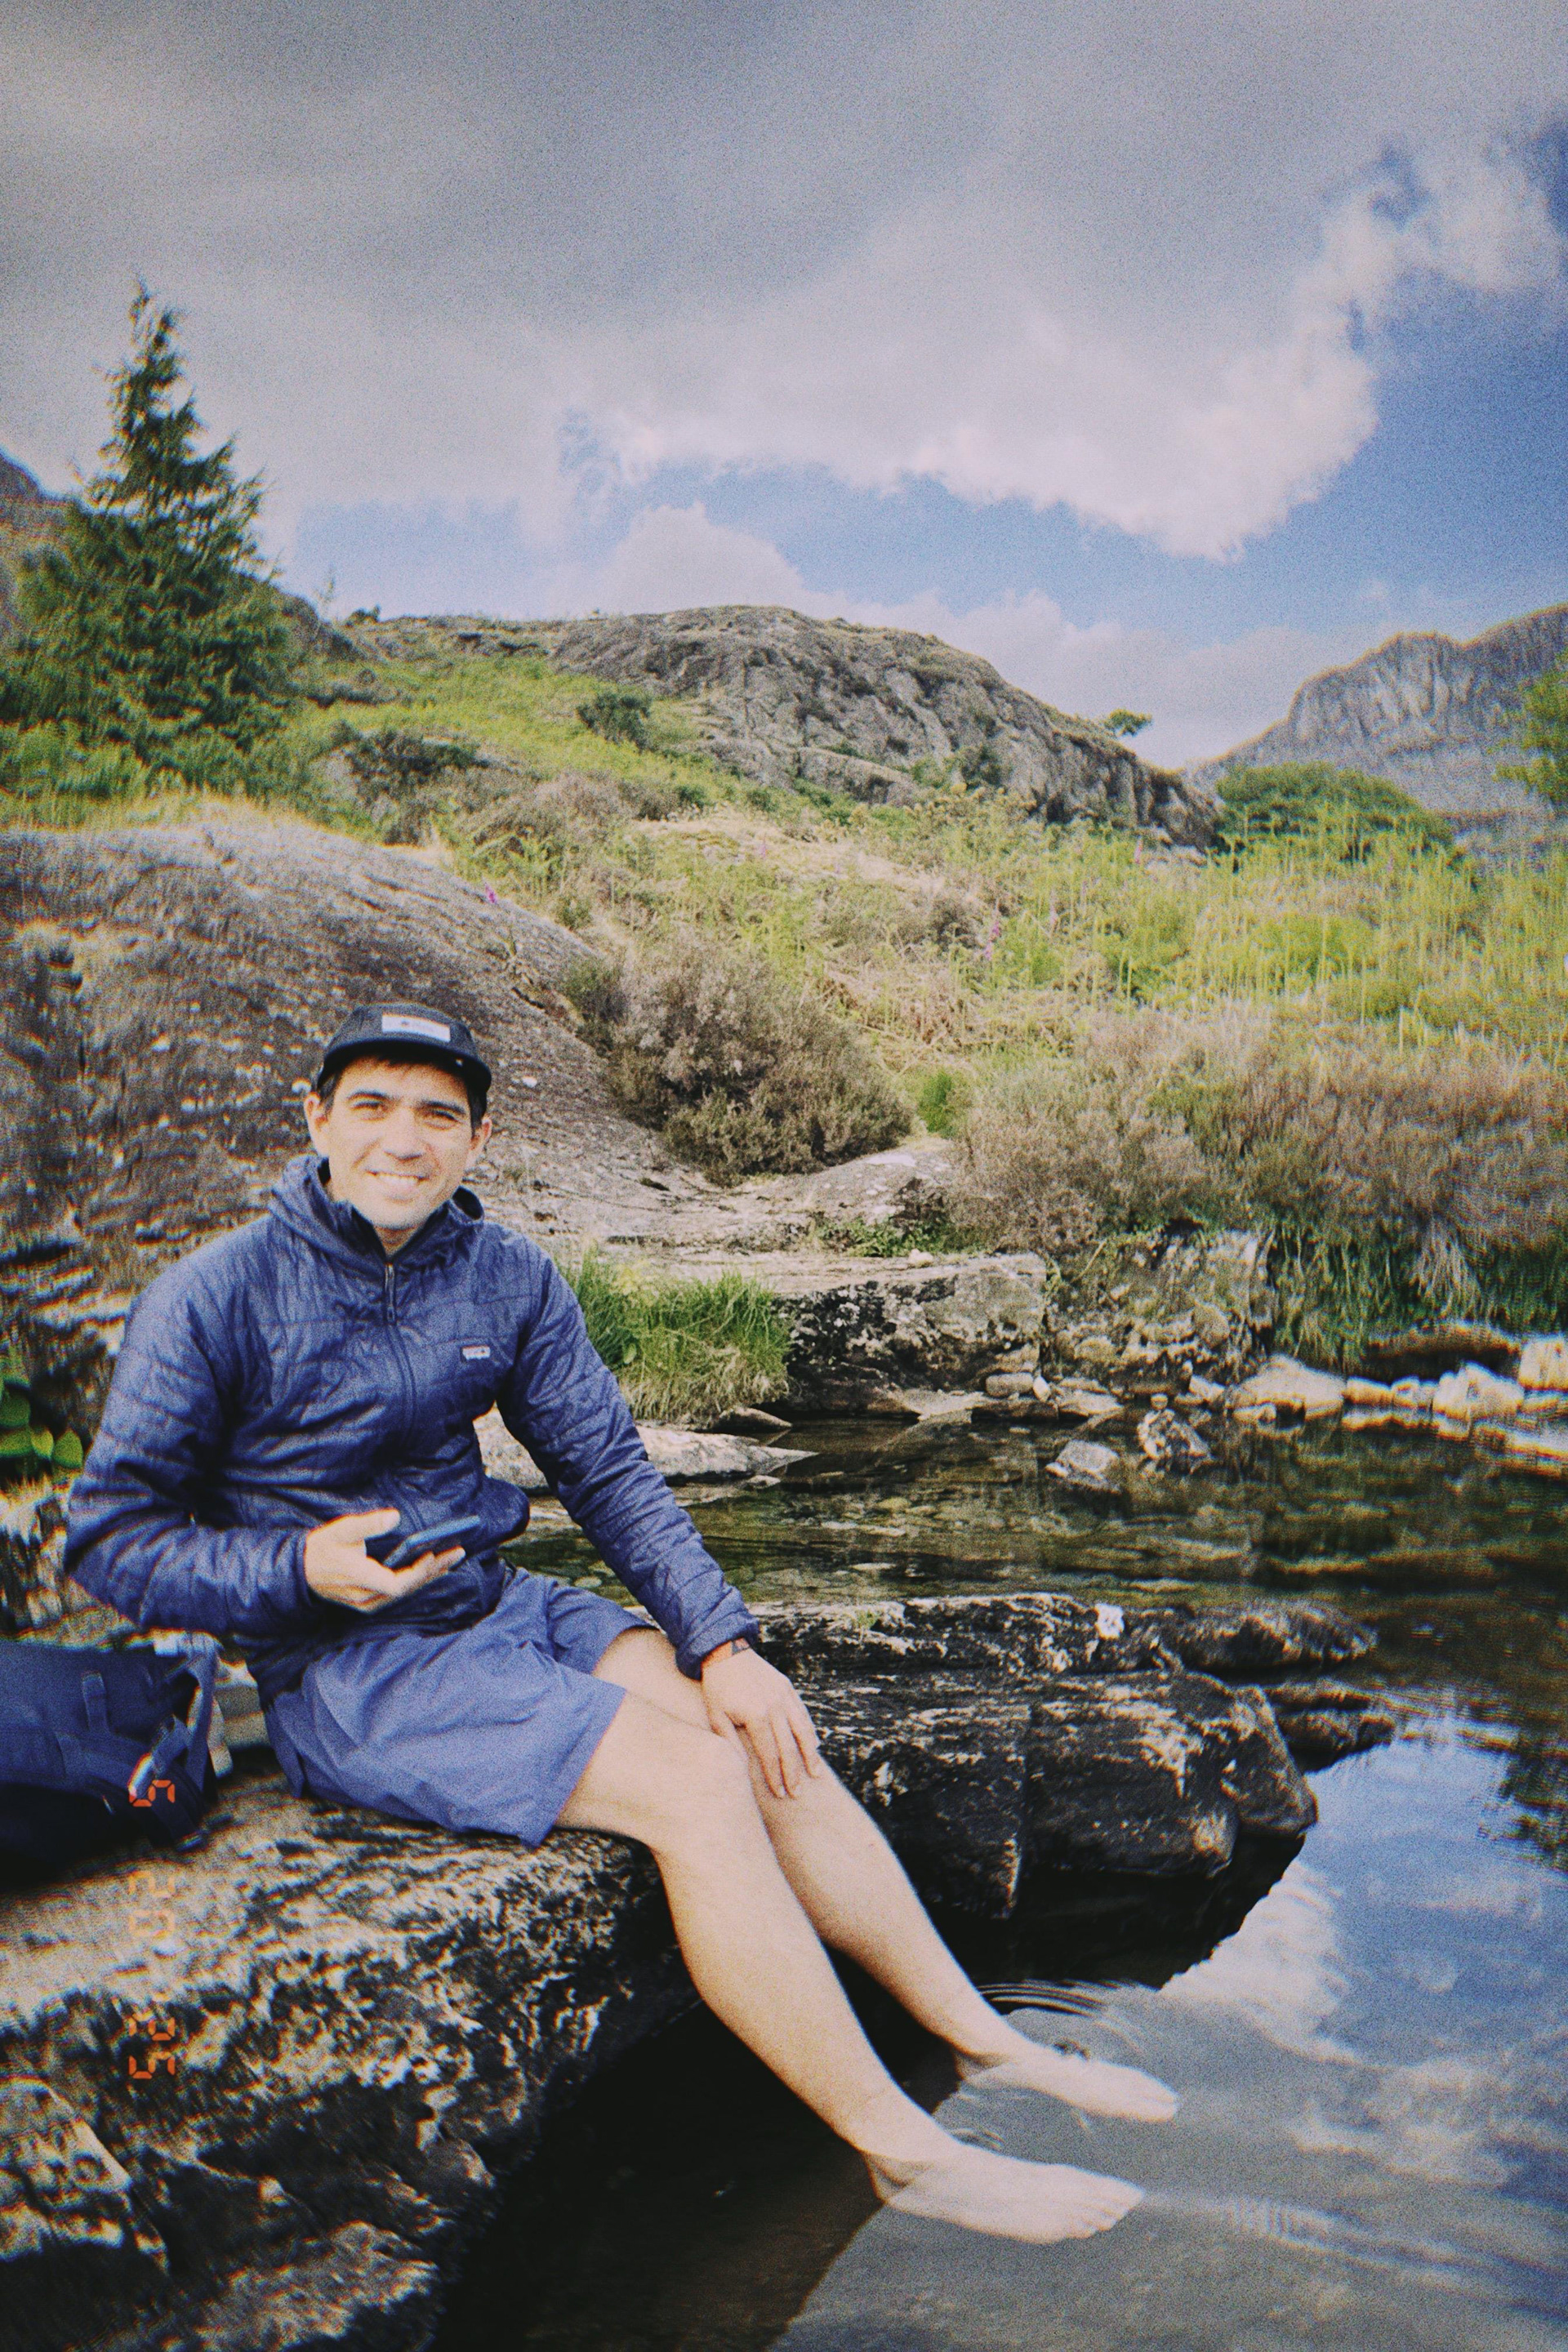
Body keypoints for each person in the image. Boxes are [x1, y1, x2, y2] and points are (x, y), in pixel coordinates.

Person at [65, 1000, 1176, 2241]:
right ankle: (902, 2152)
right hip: (350, 1669)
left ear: (478, 1139)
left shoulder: (506, 1275)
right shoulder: (211, 1297)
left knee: (763, 1733)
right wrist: (292, 1569)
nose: (404, 1139)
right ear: (316, 1117)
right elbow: (109, 1541)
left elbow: (608, 1473)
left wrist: (725, 1646)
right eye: (371, 1105)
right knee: (697, 1786)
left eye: (438, 1113)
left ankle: (981, 2041)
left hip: (501, 1605)